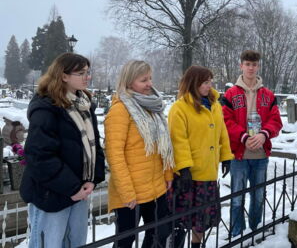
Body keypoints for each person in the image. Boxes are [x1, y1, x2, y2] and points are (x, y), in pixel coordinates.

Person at [20, 53, 105, 248]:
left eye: (88, 72)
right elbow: (39, 155)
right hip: (51, 194)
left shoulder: (84, 105)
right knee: (50, 244)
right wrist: (72, 188)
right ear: (64, 76)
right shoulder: (46, 107)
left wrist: (92, 179)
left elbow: (94, 145)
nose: (87, 77)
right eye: (81, 73)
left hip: (79, 190)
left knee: (75, 242)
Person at [105, 60, 175, 248]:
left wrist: (168, 174)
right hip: (131, 192)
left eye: (150, 78)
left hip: (156, 186)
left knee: (157, 234)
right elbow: (114, 154)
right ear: (129, 82)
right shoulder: (120, 110)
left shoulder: (152, 106)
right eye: (143, 80)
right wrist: (127, 192)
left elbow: (163, 145)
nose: (150, 84)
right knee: (126, 240)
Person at [168, 66, 233, 248]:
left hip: (208, 173)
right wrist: (184, 167)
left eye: (210, 82)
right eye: (205, 82)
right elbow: (178, 140)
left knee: (202, 221)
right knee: (181, 221)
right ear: (194, 83)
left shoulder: (214, 105)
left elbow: (222, 133)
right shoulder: (179, 108)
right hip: (189, 176)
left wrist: (226, 156)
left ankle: (196, 246)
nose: (209, 86)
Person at [221, 50, 282, 237]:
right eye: (247, 64)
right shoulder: (230, 94)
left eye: (254, 64)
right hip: (239, 155)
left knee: (258, 197)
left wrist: (264, 134)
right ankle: (237, 235)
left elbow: (276, 121)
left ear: (258, 66)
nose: (251, 68)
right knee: (237, 198)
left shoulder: (268, 95)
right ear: (241, 66)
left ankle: (255, 231)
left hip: (261, 156)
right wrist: (244, 137)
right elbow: (226, 121)